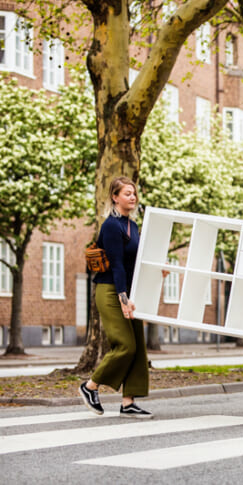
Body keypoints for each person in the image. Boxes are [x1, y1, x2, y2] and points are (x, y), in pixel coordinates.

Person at [79, 176, 153, 418]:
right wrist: (123, 298)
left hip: (128, 291)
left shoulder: (132, 226)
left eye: (134, 193)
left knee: (137, 347)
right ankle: (90, 386)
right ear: (115, 197)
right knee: (125, 345)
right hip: (111, 290)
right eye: (127, 193)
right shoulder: (111, 226)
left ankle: (128, 402)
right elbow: (117, 265)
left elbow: (135, 262)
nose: (132, 197)